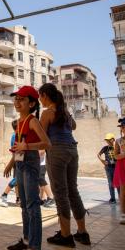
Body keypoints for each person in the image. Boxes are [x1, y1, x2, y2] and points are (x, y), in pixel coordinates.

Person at [39, 83, 91, 247]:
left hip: (57, 152)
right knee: (73, 191)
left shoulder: (47, 113)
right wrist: (65, 113)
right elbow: (73, 126)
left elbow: (41, 136)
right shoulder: (65, 113)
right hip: (72, 151)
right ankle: (82, 233)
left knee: (60, 193)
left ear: (45, 96)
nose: (40, 100)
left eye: (40, 96)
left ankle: (65, 235)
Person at [4, 86, 51, 250]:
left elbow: (47, 143)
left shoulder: (32, 120)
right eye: (16, 98)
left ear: (31, 104)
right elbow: (18, 147)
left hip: (30, 164)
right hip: (20, 164)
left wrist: (28, 145)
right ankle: (25, 240)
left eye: (22, 99)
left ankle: (34, 245)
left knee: (32, 206)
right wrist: (11, 163)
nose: (17, 101)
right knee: (24, 205)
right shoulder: (19, 123)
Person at [0, 120, 20, 207]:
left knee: (18, 181)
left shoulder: (15, 136)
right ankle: (4, 194)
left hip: (17, 159)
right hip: (18, 159)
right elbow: (16, 152)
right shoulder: (16, 136)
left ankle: (18, 198)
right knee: (17, 179)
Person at [97, 133, 119, 204]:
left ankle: (121, 197)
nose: (108, 141)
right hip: (109, 168)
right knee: (110, 183)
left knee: (118, 183)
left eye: (109, 139)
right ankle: (113, 198)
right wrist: (102, 161)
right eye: (107, 140)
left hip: (116, 167)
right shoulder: (105, 148)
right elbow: (98, 154)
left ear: (113, 139)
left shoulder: (116, 147)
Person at [113, 118, 125, 224]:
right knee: (123, 192)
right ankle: (123, 214)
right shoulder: (118, 141)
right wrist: (122, 155)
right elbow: (115, 156)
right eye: (122, 127)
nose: (123, 128)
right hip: (122, 167)